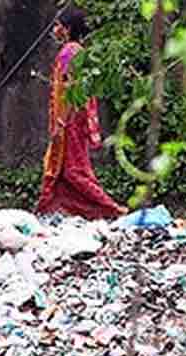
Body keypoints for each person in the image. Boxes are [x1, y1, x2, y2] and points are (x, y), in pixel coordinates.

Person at [36, 7, 126, 220]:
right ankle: (54, 209)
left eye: (58, 25)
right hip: (72, 119)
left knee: (74, 171)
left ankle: (112, 209)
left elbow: (71, 89)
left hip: (70, 120)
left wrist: (61, 121)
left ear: (67, 29)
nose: (55, 29)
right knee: (64, 170)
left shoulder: (70, 52)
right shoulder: (77, 51)